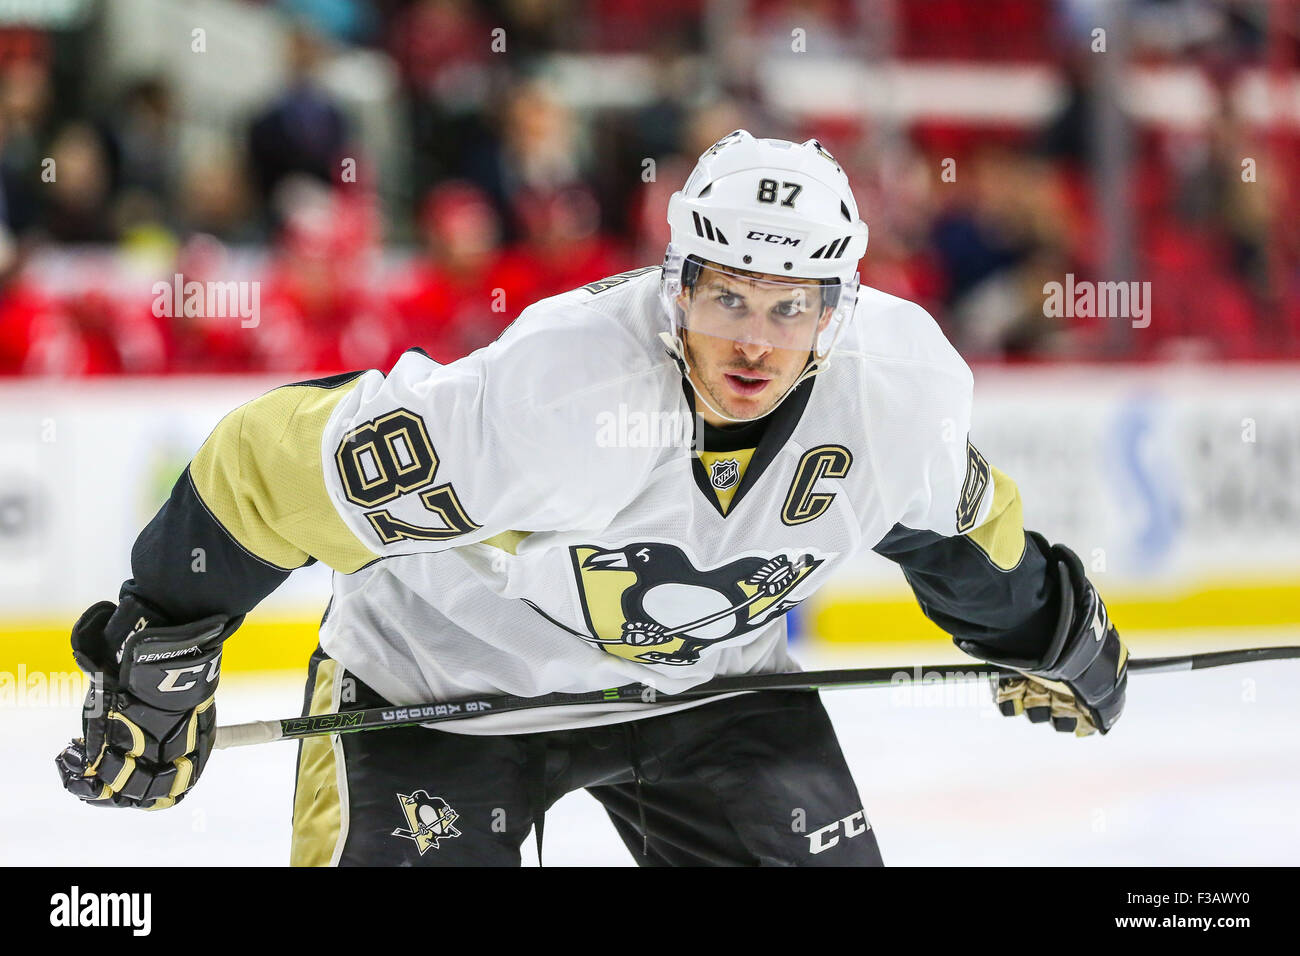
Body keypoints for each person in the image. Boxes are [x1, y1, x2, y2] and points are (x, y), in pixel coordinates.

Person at [55, 131, 1127, 866]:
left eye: (791, 305)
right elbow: (268, 460)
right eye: (728, 296)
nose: (755, 339)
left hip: (704, 695)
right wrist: (163, 634)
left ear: (839, 307)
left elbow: (962, 539)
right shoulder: (557, 397)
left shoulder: (899, 395)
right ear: (678, 286)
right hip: (441, 689)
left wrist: (1048, 627)